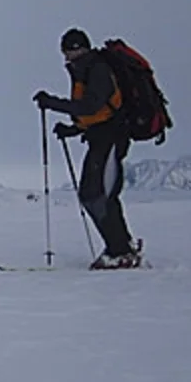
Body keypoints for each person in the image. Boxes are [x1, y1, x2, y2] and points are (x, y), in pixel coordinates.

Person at [33, 28, 141, 269]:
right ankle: (122, 246)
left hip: (111, 138)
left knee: (97, 194)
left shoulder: (97, 68)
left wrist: (53, 103)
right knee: (98, 194)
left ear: (75, 48)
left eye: (67, 53)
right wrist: (72, 129)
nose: (66, 59)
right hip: (103, 137)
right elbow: (98, 113)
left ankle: (120, 251)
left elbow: (92, 106)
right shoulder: (88, 69)